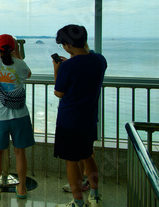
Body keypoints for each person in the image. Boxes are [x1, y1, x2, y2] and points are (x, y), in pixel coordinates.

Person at [53, 25, 107, 207]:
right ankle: (95, 195)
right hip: (89, 119)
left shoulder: (68, 66)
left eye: (63, 44)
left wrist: (57, 70)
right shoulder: (100, 60)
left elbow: (59, 93)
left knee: (71, 162)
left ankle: (77, 202)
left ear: (67, 44)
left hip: (69, 121)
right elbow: (85, 65)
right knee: (88, 155)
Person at [0, 34, 34, 200]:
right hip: (20, 115)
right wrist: (17, 54)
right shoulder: (20, 64)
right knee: (20, 153)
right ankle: (22, 188)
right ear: (14, 47)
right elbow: (28, 74)